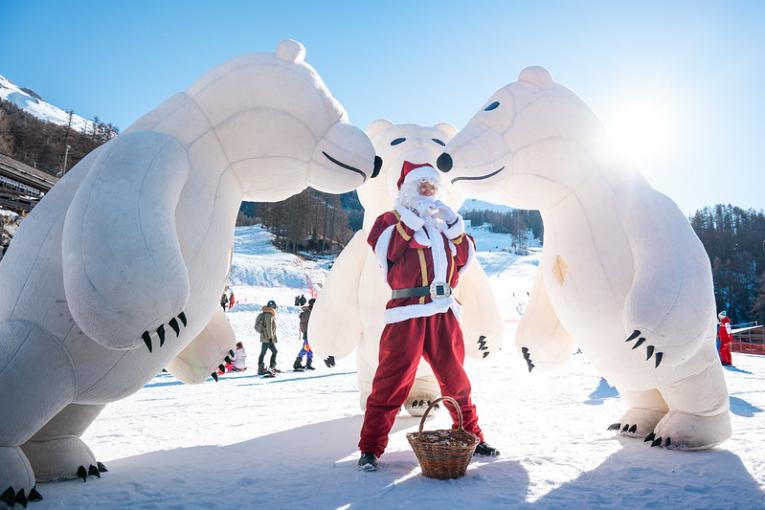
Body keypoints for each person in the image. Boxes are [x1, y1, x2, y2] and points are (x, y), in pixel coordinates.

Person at [357, 161, 499, 471]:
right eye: (421, 184)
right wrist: (411, 220)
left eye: (432, 185)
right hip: (406, 313)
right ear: (406, 188)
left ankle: (471, 436)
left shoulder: (443, 227)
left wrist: (455, 228)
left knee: (457, 381)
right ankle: (370, 447)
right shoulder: (389, 221)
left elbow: (463, 262)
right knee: (391, 382)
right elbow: (388, 252)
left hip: (443, 312)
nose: (427, 189)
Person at [255, 300, 279, 374]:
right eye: (274, 307)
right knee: (264, 352)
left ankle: (271, 367)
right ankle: (262, 368)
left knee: (273, 351)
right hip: (267, 338)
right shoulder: (269, 314)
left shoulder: (266, 313)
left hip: (266, 337)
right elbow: (269, 327)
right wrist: (270, 337)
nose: (274, 309)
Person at [294, 298, 316, 371]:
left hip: (312, 333)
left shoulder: (313, 312)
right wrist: (306, 332)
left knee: (311, 348)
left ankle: (308, 364)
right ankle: (297, 362)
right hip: (308, 333)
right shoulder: (307, 313)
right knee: (306, 348)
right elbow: (303, 324)